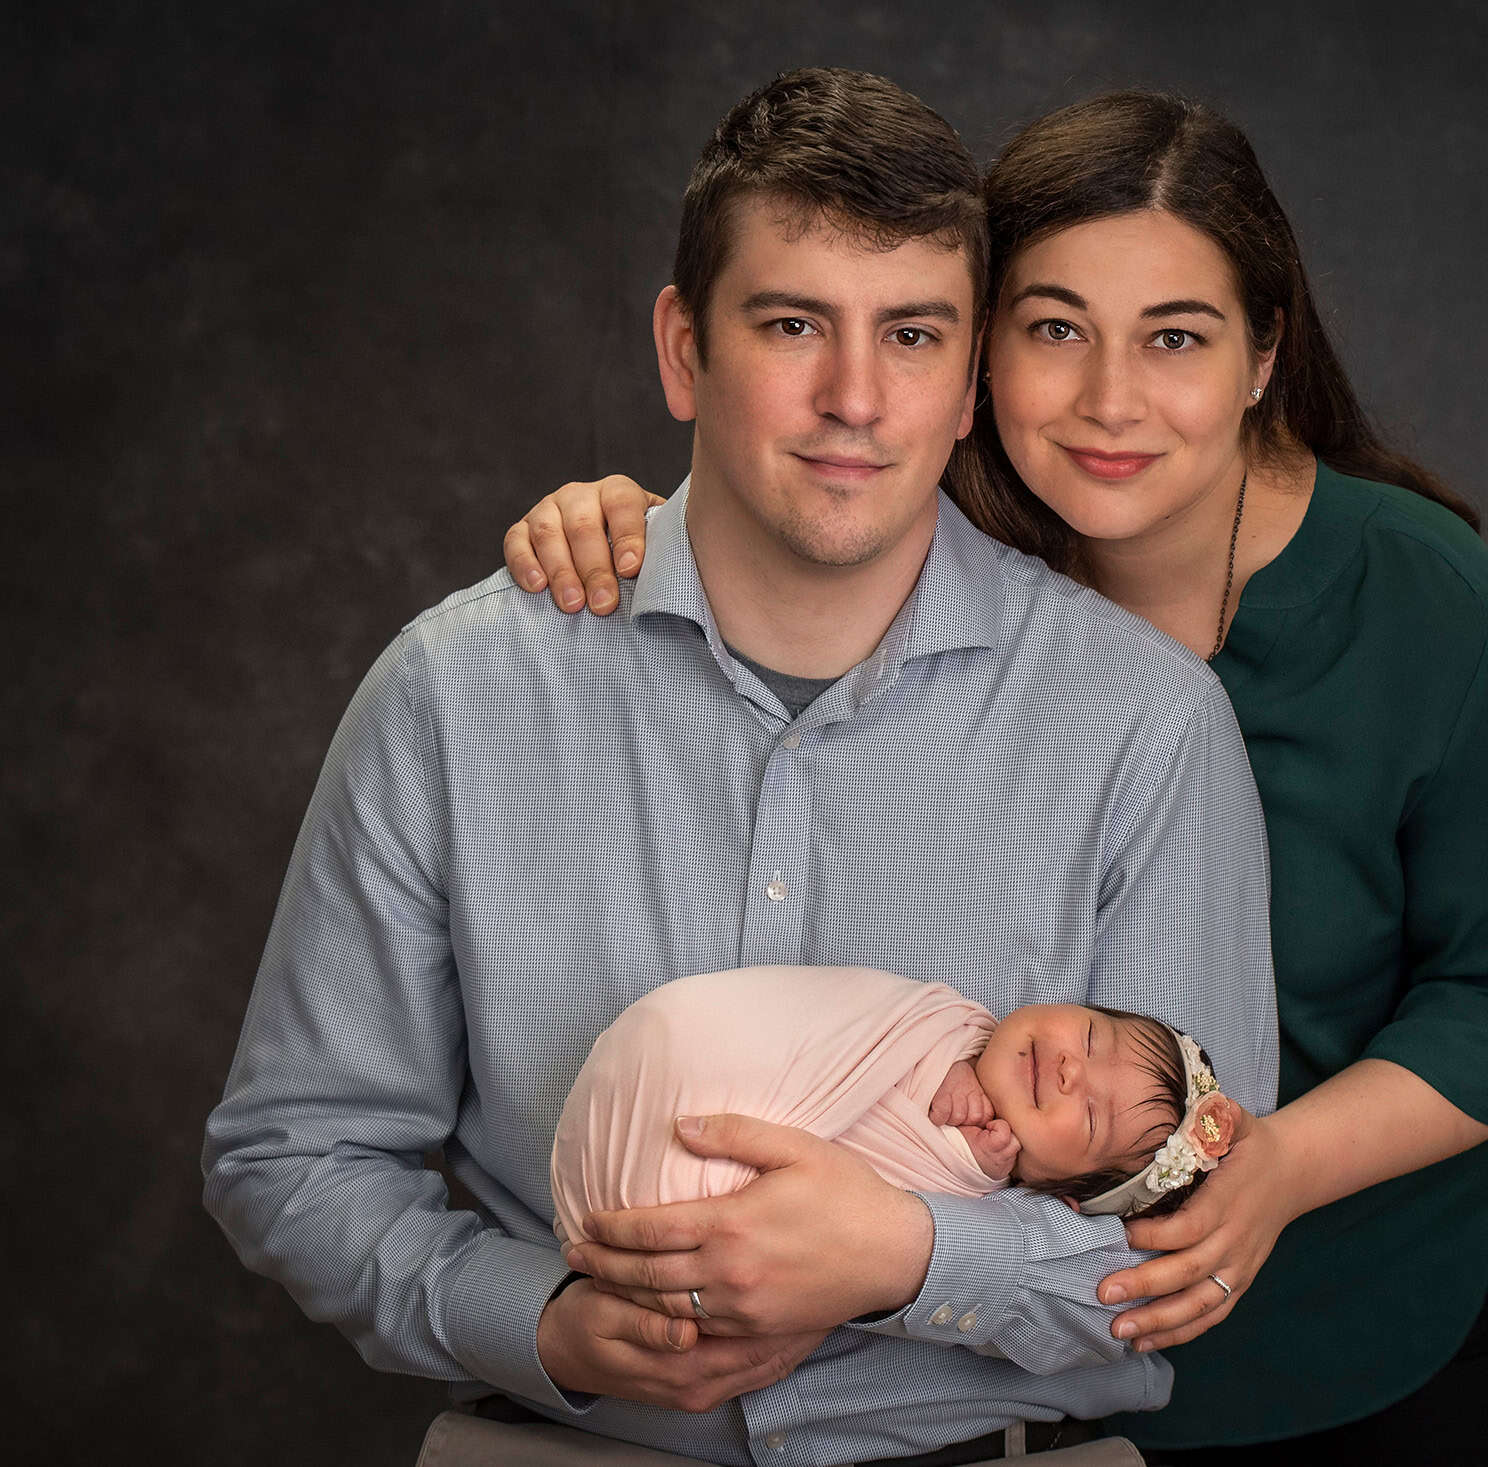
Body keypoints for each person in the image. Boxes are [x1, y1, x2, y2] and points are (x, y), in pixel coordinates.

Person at [203, 70, 1278, 1467]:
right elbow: (292, 1153)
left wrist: (911, 1256)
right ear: (682, 349)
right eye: (791, 325)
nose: (854, 399)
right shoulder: (454, 694)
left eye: (911, 334)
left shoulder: (1146, 723)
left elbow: (1192, 1242)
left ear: (967, 383)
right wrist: (543, 1324)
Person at [509, 90, 1488, 1464]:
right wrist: (631, 525)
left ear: (1264, 353)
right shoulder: (928, 538)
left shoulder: (1429, 603)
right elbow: (762, 510)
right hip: (1001, 1356)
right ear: (977, 352)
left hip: (1368, 1319)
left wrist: (1271, 1167)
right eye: (1054, 329)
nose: (1109, 401)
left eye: (1175, 337)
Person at [549, 965, 1241, 1255]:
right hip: (676, 1061)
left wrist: (971, 1163)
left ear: (1066, 1194)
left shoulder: (989, 1192)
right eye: (1090, 1035)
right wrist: (944, 1070)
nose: (1069, 1068)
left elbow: (894, 1196)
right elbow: (833, 1032)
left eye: (1090, 1116)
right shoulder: (941, 1018)